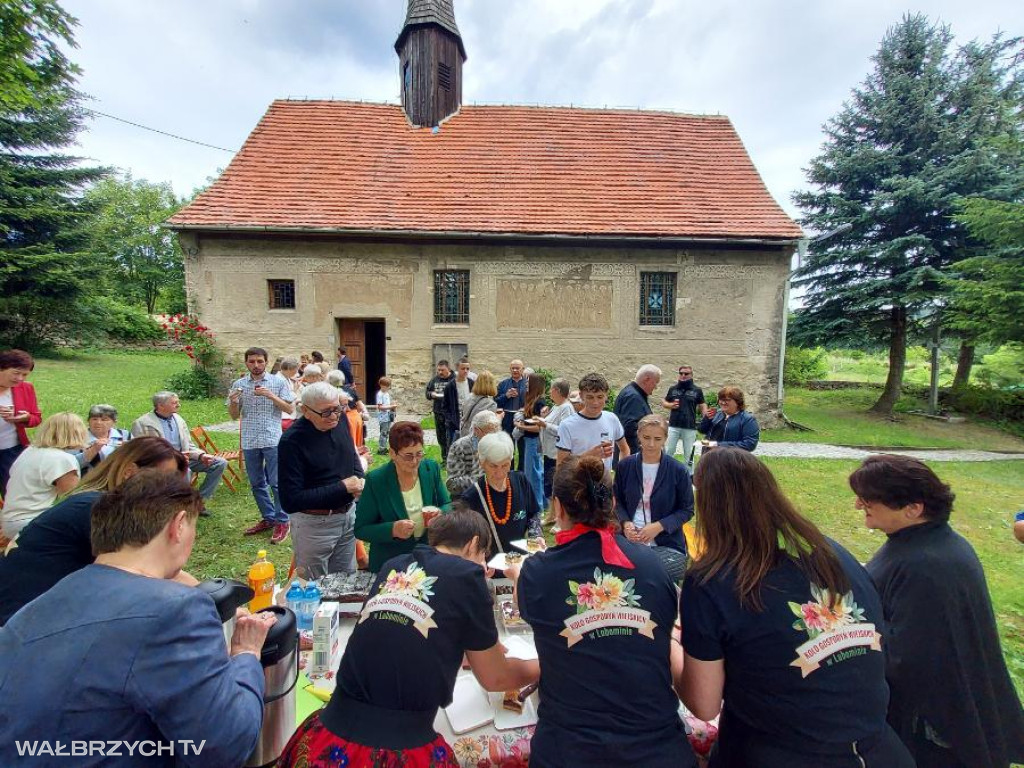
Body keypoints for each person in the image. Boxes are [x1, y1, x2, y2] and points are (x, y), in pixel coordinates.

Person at [0, 471, 276, 767]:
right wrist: (246, 654)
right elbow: (226, 745)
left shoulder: (35, 608)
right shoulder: (176, 610)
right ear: (178, 526)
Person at [679, 448, 912, 768]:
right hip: (879, 748)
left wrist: (671, 646)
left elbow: (704, 705)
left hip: (778, 750)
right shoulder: (832, 551)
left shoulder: (712, 580)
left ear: (706, 504)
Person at [279, 510, 540, 768]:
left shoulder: (394, 566)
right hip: (398, 751)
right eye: (484, 556)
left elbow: (401, 628)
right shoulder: (467, 575)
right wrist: (547, 664)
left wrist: (455, 651)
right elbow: (496, 678)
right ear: (473, 544)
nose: (485, 567)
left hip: (328, 734)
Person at [508, 454, 695, 768]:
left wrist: (519, 574)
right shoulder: (652, 566)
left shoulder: (539, 573)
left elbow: (522, 601)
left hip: (570, 751)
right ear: (611, 504)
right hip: (657, 750)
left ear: (558, 506)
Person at [849, 455, 1024, 768]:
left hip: (933, 736)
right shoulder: (929, 541)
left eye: (867, 499)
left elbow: (909, 659)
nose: (859, 506)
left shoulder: (926, 565)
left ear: (913, 508)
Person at [0, 436, 189, 625]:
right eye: (162, 481)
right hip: (17, 625)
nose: (167, 492)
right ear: (130, 472)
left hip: (27, 616)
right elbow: (150, 572)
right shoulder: (97, 509)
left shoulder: (89, 500)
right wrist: (206, 595)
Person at [278, 383, 365, 579]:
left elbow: (350, 454)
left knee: (346, 583)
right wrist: (342, 487)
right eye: (326, 413)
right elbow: (290, 500)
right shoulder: (292, 441)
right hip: (314, 525)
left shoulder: (340, 420)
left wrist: (360, 478)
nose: (334, 416)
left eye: (337, 409)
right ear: (306, 411)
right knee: (313, 587)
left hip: (347, 516)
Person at [354, 421, 451, 573]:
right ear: (392, 453)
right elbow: (361, 529)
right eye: (408, 456)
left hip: (427, 558)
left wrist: (440, 514)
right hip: (390, 564)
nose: (414, 461)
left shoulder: (430, 469)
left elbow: (447, 504)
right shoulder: (376, 480)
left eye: (419, 454)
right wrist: (392, 530)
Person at [228, 347, 295, 544]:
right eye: (251, 361)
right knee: (257, 483)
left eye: (259, 361)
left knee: (276, 482)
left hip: (272, 439)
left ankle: (283, 521)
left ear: (266, 362)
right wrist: (233, 401)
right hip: (250, 440)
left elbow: (290, 409)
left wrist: (270, 396)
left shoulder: (277, 382)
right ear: (246, 363)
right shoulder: (239, 384)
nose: (256, 365)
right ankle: (269, 518)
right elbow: (233, 415)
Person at [613, 414, 693, 579]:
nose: (650, 444)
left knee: (649, 574)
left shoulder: (678, 470)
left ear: (665, 439)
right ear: (638, 436)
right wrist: (626, 523)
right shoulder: (625, 466)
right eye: (646, 437)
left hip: (665, 541)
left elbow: (687, 510)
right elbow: (617, 501)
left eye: (657, 439)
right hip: (629, 538)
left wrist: (658, 526)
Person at [131, 391, 227, 502]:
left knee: (219, 463)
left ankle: (199, 501)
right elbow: (140, 452)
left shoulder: (178, 419)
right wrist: (173, 458)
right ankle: (178, 505)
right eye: (174, 403)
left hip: (185, 458)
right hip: (160, 463)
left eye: (178, 402)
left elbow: (188, 445)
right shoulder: (142, 423)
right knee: (186, 471)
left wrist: (201, 456)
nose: (178, 405)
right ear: (161, 406)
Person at [1, 412, 83, 538]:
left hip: (10, 521)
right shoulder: (63, 459)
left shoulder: (30, 451)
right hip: (31, 522)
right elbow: (75, 500)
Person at [460, 431, 540, 557]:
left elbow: (533, 514)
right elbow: (468, 540)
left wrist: (536, 535)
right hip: (490, 568)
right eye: (493, 466)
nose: (500, 473)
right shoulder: (471, 497)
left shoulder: (521, 481)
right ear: (482, 462)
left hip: (520, 563)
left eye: (505, 465)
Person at [556, 373, 629, 471]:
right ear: (581, 396)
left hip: (605, 483)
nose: (595, 402)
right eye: (590, 397)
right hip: (577, 484)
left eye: (600, 397)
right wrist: (589, 456)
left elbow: (624, 449)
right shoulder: (567, 425)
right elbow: (561, 466)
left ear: (606, 396)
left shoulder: (611, 419)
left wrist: (621, 475)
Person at [0, 348, 42, 497]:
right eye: (16, 373)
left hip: (11, 450)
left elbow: (36, 418)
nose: (20, 379)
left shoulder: (25, 388)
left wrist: (24, 418)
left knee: (11, 491)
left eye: (24, 374)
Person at [445, 409, 501, 496]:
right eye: (490, 433)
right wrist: (482, 480)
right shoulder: (460, 447)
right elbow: (452, 485)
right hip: (467, 500)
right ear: (476, 430)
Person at [662, 364, 707, 467]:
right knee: (668, 452)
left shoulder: (697, 390)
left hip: (689, 427)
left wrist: (706, 415)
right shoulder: (673, 389)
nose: (683, 375)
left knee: (689, 455)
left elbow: (702, 404)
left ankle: (689, 477)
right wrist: (670, 405)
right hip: (673, 426)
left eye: (686, 374)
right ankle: (666, 473)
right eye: (681, 373)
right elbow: (664, 402)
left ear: (691, 375)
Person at [514, 372, 548, 509]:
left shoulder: (540, 402)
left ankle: (537, 505)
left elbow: (539, 427)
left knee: (533, 475)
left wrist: (520, 426)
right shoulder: (531, 399)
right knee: (535, 472)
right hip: (529, 440)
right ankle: (542, 503)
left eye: (528, 382)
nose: (526, 384)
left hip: (534, 441)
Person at [539, 377, 575, 505]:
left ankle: (557, 510)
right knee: (548, 482)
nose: (549, 392)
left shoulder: (566, 408)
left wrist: (544, 425)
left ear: (557, 390)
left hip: (557, 453)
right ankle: (551, 510)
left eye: (551, 389)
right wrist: (544, 417)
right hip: (549, 451)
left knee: (555, 481)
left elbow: (565, 430)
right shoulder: (556, 406)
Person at [613, 364, 661, 457]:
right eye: (656, 382)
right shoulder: (633, 397)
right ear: (646, 379)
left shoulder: (633, 393)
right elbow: (630, 429)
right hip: (632, 456)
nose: (656, 387)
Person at [697, 386, 759, 452]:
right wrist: (707, 419)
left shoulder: (747, 419)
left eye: (727, 400)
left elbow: (749, 444)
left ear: (737, 402)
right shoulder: (716, 414)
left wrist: (718, 445)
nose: (723, 402)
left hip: (732, 458)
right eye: (721, 399)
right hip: (709, 456)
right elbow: (702, 430)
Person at [72, 403, 132, 472]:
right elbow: (71, 464)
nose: (98, 422)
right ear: (88, 421)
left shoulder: (125, 435)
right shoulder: (77, 438)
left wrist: (129, 449)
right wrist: (93, 450)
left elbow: (139, 457)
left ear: (114, 422)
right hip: (89, 480)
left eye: (104, 420)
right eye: (94, 419)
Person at [441, 355, 476, 447]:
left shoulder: (472, 384)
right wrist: (451, 420)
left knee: (470, 447)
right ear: (457, 369)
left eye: (467, 369)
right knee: (454, 447)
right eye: (463, 368)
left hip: (470, 422)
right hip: (454, 424)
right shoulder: (450, 386)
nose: (465, 371)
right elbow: (445, 407)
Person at [425, 359, 455, 462]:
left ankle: (451, 459)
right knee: (441, 436)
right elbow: (427, 393)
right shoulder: (435, 380)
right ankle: (444, 458)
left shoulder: (454, 379)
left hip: (451, 413)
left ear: (448, 369)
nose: (440, 372)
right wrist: (431, 394)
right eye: (438, 370)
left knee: (451, 436)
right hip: (438, 412)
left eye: (442, 370)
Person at [458, 369, 499, 439]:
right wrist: (499, 417)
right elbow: (489, 426)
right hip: (479, 437)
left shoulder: (468, 397)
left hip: (465, 434)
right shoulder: (490, 404)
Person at [495, 359, 526, 437]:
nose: (515, 370)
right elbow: (496, 401)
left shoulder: (527, 384)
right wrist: (506, 396)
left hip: (522, 416)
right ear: (510, 369)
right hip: (506, 417)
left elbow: (532, 400)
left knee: (522, 444)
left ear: (523, 369)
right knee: (507, 442)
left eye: (517, 368)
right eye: (513, 368)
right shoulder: (503, 384)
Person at [277, 356, 301, 430]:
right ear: (290, 369)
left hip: (289, 416)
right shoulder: (279, 380)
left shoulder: (286, 378)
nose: (297, 372)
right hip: (283, 417)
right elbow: (286, 400)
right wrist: (295, 390)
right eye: (296, 369)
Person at [375, 376, 397, 455]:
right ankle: (381, 449)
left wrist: (392, 405)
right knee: (383, 433)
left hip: (388, 416)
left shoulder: (386, 393)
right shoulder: (380, 394)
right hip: (383, 417)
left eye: (388, 386)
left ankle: (384, 447)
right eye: (386, 386)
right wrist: (391, 406)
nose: (388, 388)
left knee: (387, 432)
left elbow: (386, 404)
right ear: (381, 385)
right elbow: (380, 407)